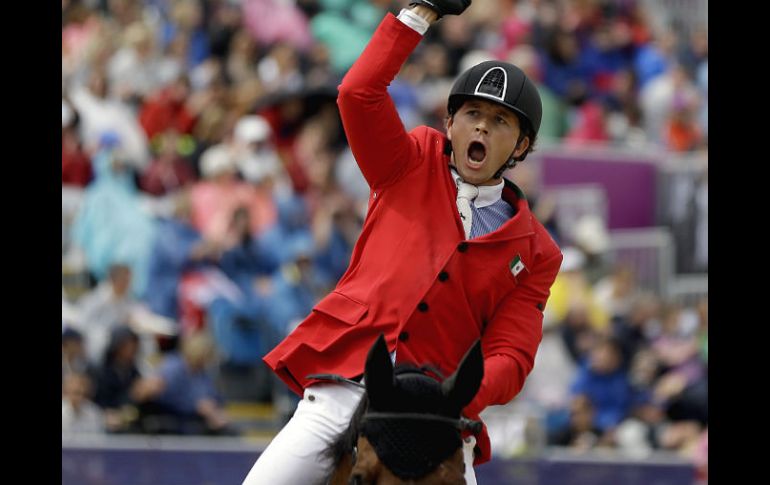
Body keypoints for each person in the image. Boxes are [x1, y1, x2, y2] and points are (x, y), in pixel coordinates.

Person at [243, 2, 562, 484]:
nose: (481, 127)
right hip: (349, 384)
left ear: (521, 146)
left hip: (441, 412)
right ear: (450, 123)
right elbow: (357, 93)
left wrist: (454, 394)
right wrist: (418, 14)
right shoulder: (408, 160)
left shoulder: (538, 253)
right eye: (472, 113)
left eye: (500, 122)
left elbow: (511, 356)